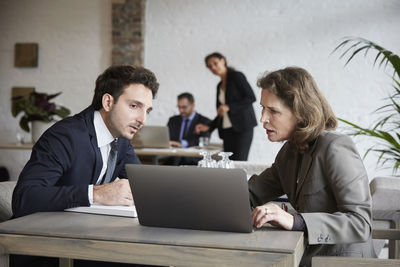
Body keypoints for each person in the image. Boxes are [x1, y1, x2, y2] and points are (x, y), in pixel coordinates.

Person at [11, 65, 159, 267]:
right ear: (108, 102)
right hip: (45, 247)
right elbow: (24, 198)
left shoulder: (121, 140)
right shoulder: (65, 136)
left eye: (147, 110)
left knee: (157, 256)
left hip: (85, 239)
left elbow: (147, 186)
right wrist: (96, 194)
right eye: (134, 106)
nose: (142, 119)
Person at [248, 67, 375, 266]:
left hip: (343, 261)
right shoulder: (289, 151)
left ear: (300, 112)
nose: (263, 118)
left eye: (273, 111)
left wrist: (294, 221)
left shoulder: (335, 148)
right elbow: (252, 192)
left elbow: (360, 223)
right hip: (307, 257)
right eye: (262, 108)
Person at [194, 52, 257, 161]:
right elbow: (221, 112)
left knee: (239, 163)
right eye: (209, 66)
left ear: (223, 60)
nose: (213, 67)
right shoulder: (219, 86)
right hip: (227, 131)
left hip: (242, 128)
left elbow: (251, 97)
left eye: (215, 63)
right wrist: (209, 127)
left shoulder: (236, 76)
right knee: (228, 163)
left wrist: (229, 106)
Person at [165, 92, 211, 165]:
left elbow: (203, 142)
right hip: (173, 159)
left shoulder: (204, 122)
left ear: (193, 106)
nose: (180, 110)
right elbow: (166, 138)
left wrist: (182, 144)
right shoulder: (173, 120)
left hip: (194, 160)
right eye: (179, 107)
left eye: (184, 107)